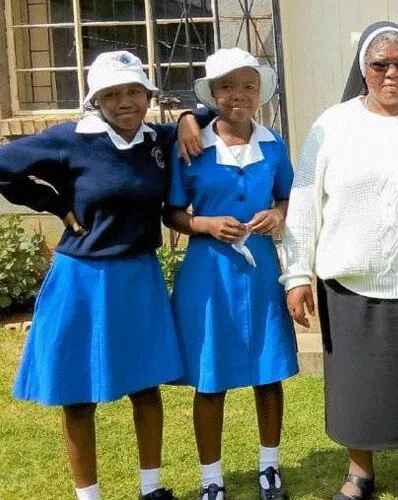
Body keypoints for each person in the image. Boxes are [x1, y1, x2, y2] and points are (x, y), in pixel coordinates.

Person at [280, 21, 398, 500]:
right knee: (356, 389)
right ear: (363, 69)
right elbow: (303, 203)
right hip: (352, 285)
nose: (392, 73)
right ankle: (359, 471)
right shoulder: (331, 126)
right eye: (380, 64)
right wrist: (297, 274)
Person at [0, 51, 185, 500]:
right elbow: (4, 166)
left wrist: (189, 119)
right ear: (95, 98)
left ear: (147, 95)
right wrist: (54, 205)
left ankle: (151, 489)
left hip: (138, 277)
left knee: (145, 387)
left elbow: (199, 120)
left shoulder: (156, 141)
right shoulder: (71, 139)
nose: (126, 102)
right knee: (78, 394)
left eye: (134, 91)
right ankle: (89, 496)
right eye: (113, 93)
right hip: (82, 280)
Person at [164, 47, 298, 500]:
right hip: (209, 273)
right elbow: (173, 212)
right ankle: (212, 479)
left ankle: (269, 467)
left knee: (268, 371)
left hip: (259, 270)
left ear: (259, 93)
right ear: (212, 94)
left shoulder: (274, 144)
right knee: (210, 376)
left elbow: (287, 196)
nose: (237, 95)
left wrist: (278, 216)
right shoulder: (193, 143)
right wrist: (204, 224)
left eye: (247, 86)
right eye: (226, 86)